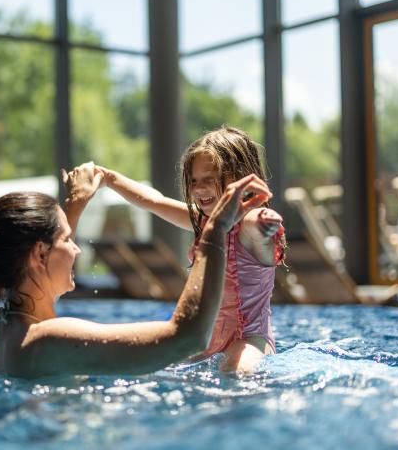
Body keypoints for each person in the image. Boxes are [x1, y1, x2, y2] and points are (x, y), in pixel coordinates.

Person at [0, 162, 273, 379]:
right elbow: (188, 338)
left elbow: (35, 281)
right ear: (39, 255)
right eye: (66, 239)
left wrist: (74, 204)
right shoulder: (52, 340)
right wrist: (215, 230)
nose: (75, 247)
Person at [95, 127, 286, 373]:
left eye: (209, 178)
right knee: (155, 367)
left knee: (236, 371)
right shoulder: (205, 222)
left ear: (240, 177)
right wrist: (109, 178)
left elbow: (255, 223)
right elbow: (155, 201)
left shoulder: (248, 225)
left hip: (249, 338)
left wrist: (264, 220)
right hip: (206, 338)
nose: (198, 189)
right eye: (194, 181)